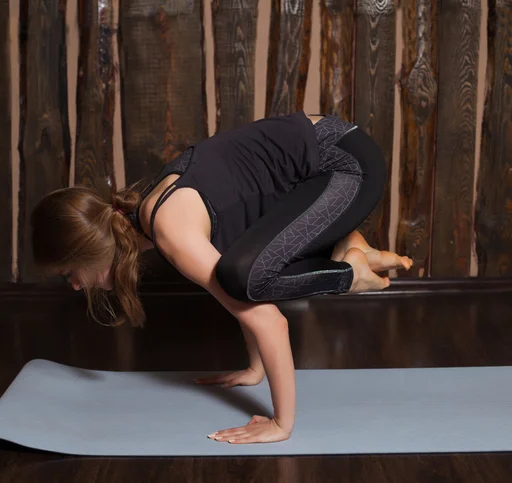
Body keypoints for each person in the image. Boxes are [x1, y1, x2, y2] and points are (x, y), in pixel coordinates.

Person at [31, 111, 412, 445]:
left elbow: (268, 320)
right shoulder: (153, 211)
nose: (76, 285)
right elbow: (242, 274)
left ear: (91, 251)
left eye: (71, 272)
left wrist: (280, 423)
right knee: (240, 271)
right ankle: (348, 247)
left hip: (346, 164)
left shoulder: (169, 230)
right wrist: (254, 369)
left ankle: (348, 273)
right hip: (323, 166)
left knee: (241, 277)